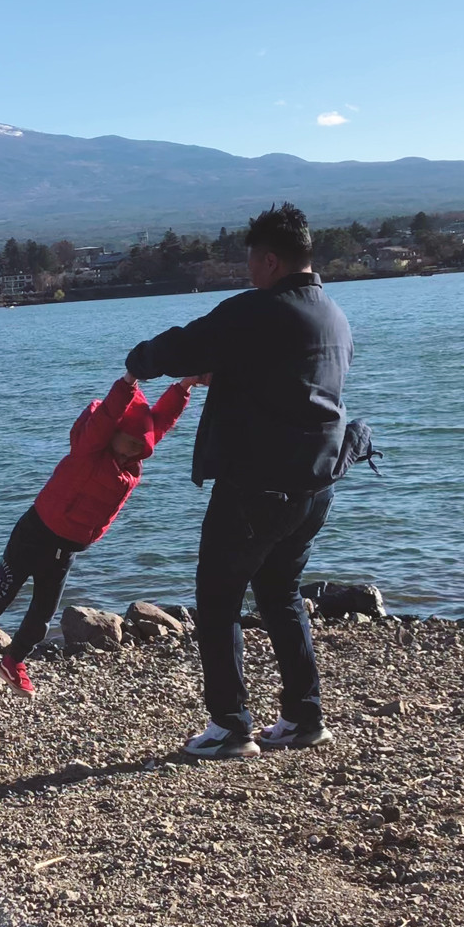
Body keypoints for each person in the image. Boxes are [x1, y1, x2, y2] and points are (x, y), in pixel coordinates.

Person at [123, 202, 353, 758]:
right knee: (280, 594)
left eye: (252, 260)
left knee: (219, 599)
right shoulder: (332, 315)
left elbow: (180, 346)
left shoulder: (254, 311)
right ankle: (303, 717)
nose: (249, 270)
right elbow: (286, 378)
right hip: (315, 485)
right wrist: (226, 369)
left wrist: (139, 361)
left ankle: (230, 725)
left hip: (256, 486)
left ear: (271, 260)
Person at [0, 374, 198, 696]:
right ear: (113, 433)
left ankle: (13, 660)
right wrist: (130, 380)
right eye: (130, 445)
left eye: (140, 450)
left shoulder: (129, 464)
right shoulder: (90, 449)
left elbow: (159, 423)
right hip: (34, 533)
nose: (133, 455)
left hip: (65, 549)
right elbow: (107, 415)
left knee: (43, 615)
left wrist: (185, 386)